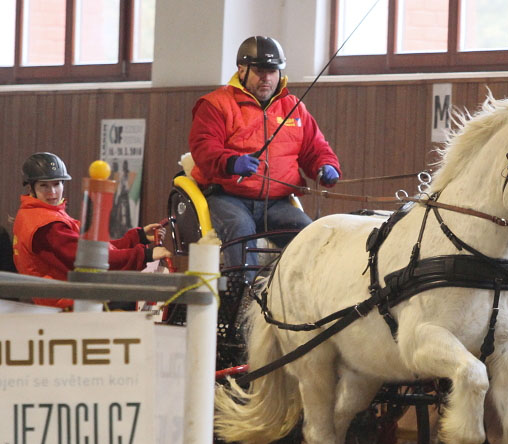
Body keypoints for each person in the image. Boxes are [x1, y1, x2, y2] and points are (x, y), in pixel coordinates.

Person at [189, 35, 341, 271]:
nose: (267, 78)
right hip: (227, 197)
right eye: (260, 71)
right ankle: (242, 296)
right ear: (242, 70)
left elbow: (316, 148)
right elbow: (203, 147)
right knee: (240, 230)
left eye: (272, 71)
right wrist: (231, 162)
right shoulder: (215, 104)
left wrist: (326, 165)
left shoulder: (294, 108)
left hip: (276, 203)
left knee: (309, 234)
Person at [12, 152, 171, 309]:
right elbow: (91, 260)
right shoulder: (48, 225)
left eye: (56, 184)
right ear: (31, 187)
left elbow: (93, 250)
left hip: (65, 298)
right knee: (136, 301)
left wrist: (137, 237)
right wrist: (145, 255)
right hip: (68, 303)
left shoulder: (38, 214)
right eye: (44, 185)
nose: (52, 192)